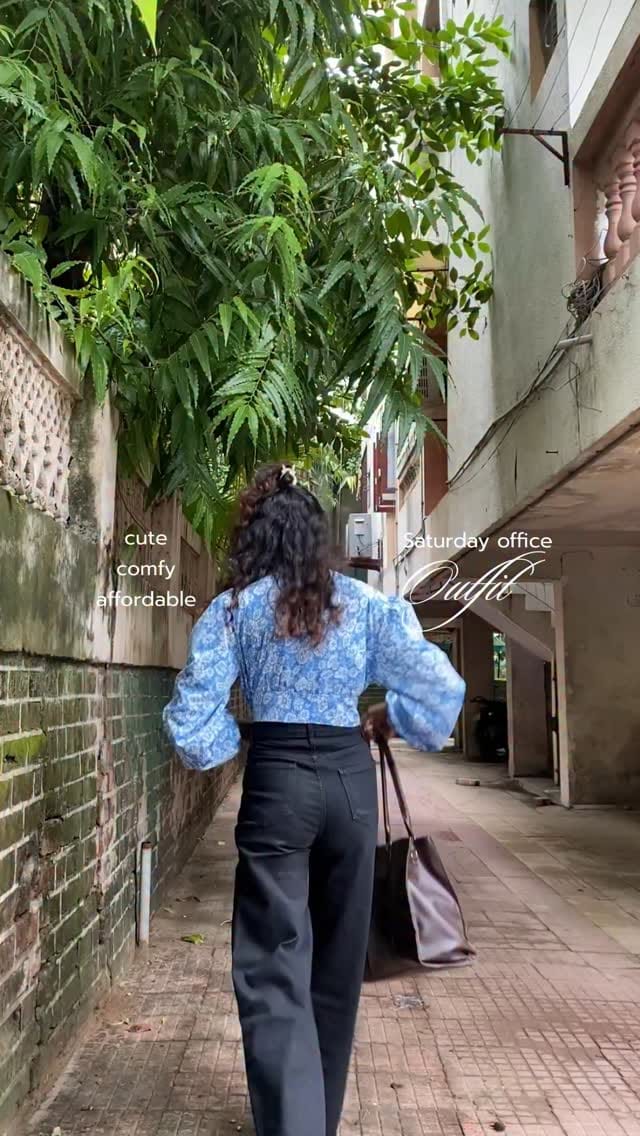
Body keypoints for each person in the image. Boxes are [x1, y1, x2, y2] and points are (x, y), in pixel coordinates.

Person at [163, 462, 466, 1136]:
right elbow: (442, 688)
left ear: (256, 543)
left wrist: (229, 746)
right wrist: (395, 717)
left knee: (272, 962)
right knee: (336, 963)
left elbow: (191, 724)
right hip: (349, 783)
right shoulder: (365, 606)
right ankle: (314, 1123)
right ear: (316, 538)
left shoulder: (234, 611)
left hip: (277, 784)